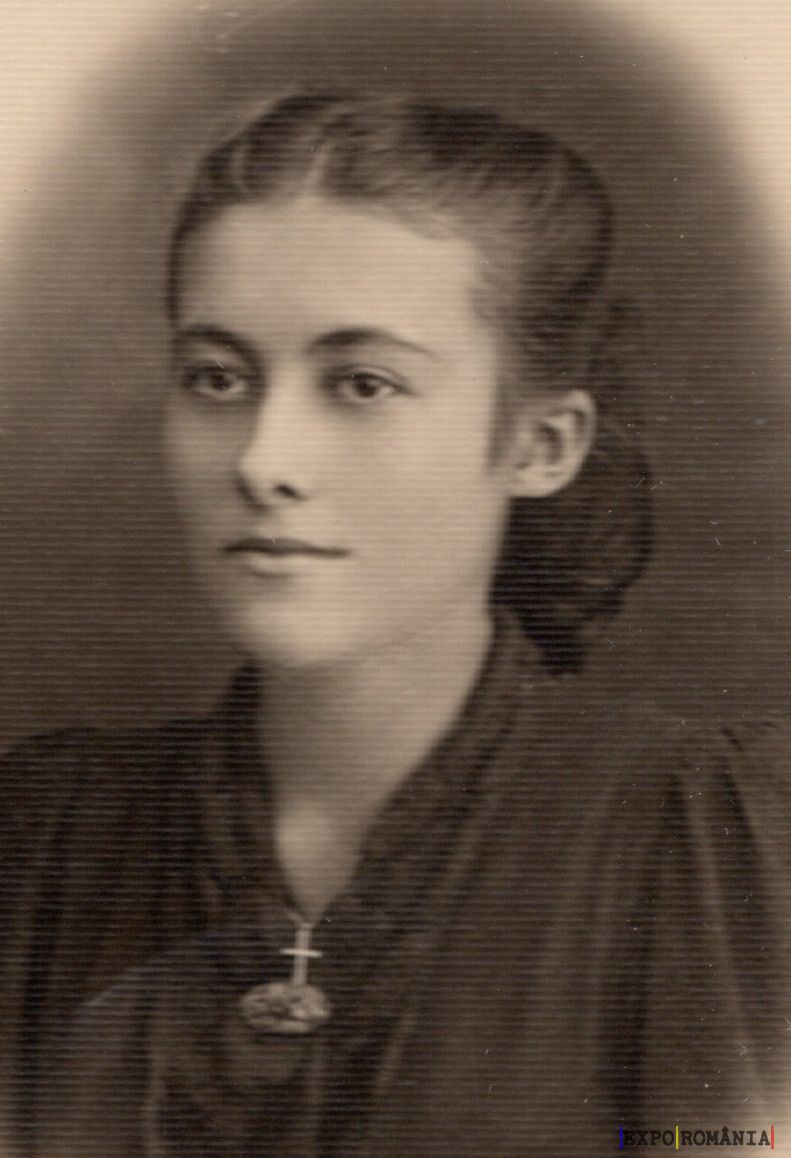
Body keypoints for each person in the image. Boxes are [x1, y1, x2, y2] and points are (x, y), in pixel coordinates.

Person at [1, 91, 789, 1157]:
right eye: (219, 378)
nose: (263, 460)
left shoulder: (695, 846)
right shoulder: (47, 842)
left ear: (541, 444)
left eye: (362, 384)